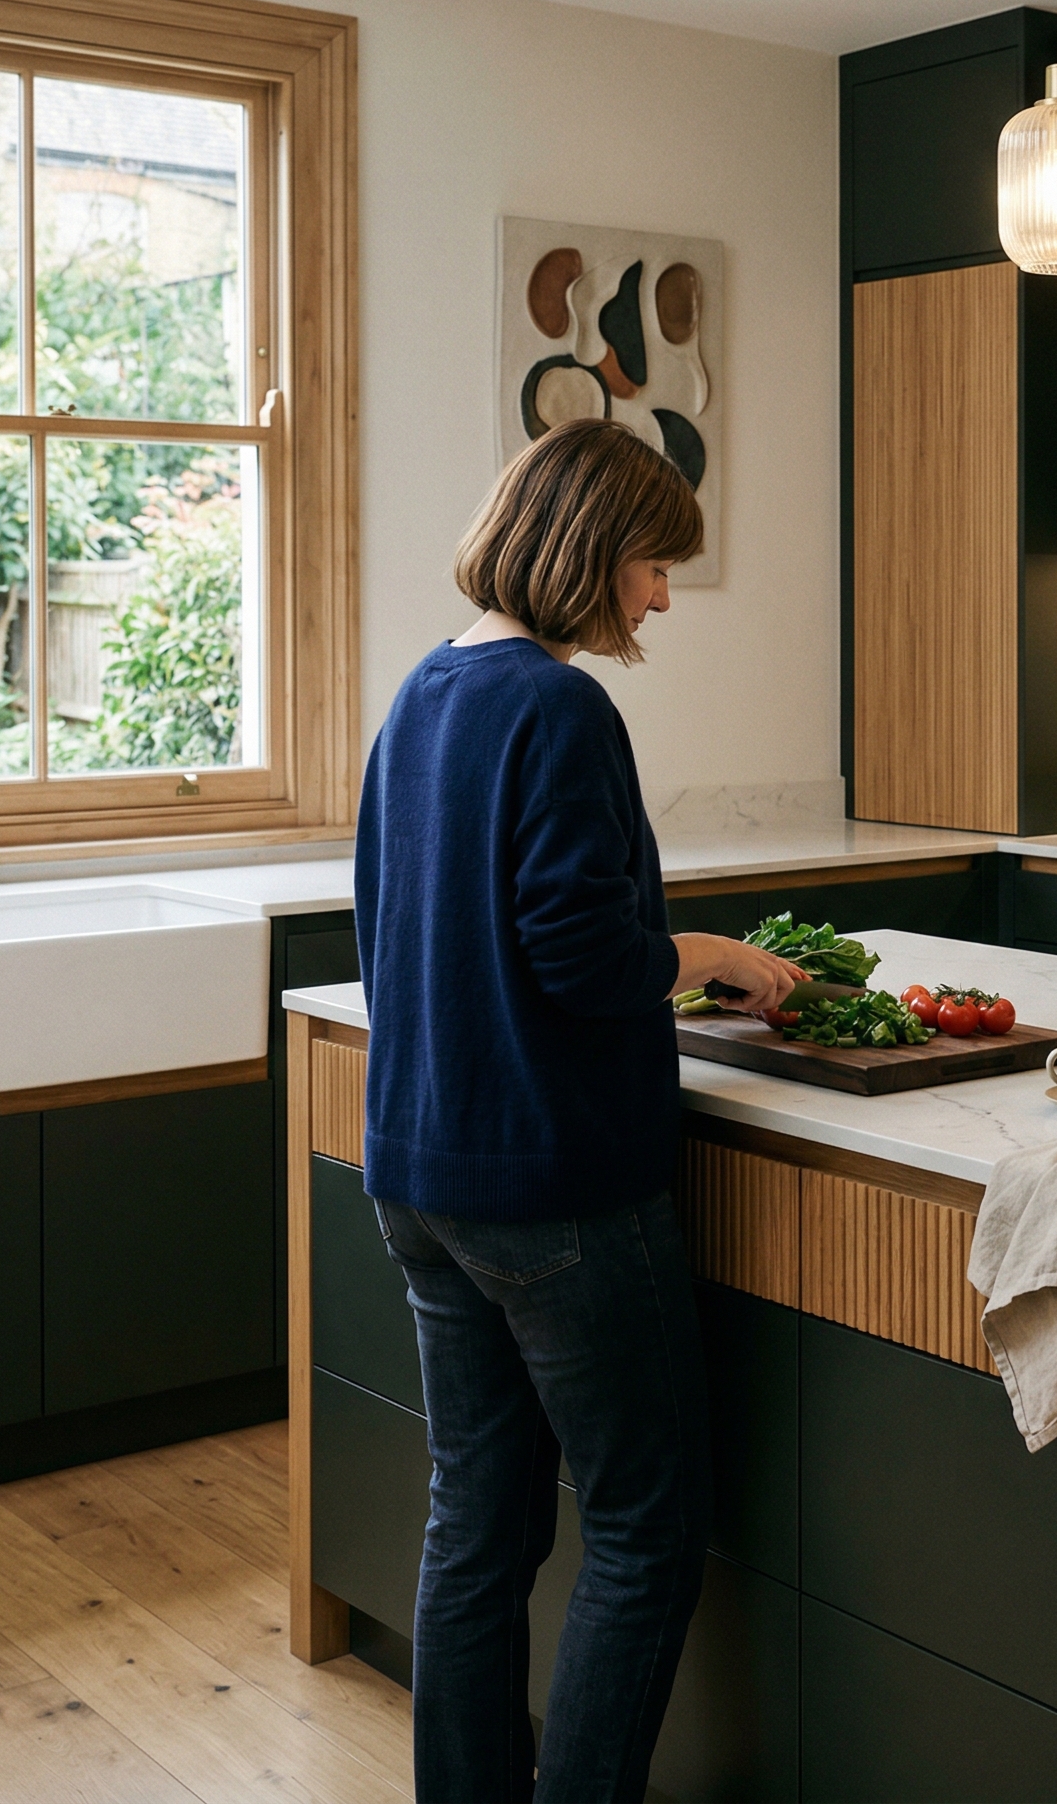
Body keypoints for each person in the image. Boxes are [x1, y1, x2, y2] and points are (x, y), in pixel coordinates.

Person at [354, 419, 806, 1803]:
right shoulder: (556, 707)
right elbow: (584, 952)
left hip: (423, 1173)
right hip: (552, 1186)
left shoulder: (422, 693)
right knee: (646, 1531)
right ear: (590, 553)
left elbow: (403, 929)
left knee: (477, 1526)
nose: (662, 597)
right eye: (654, 564)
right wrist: (720, 959)